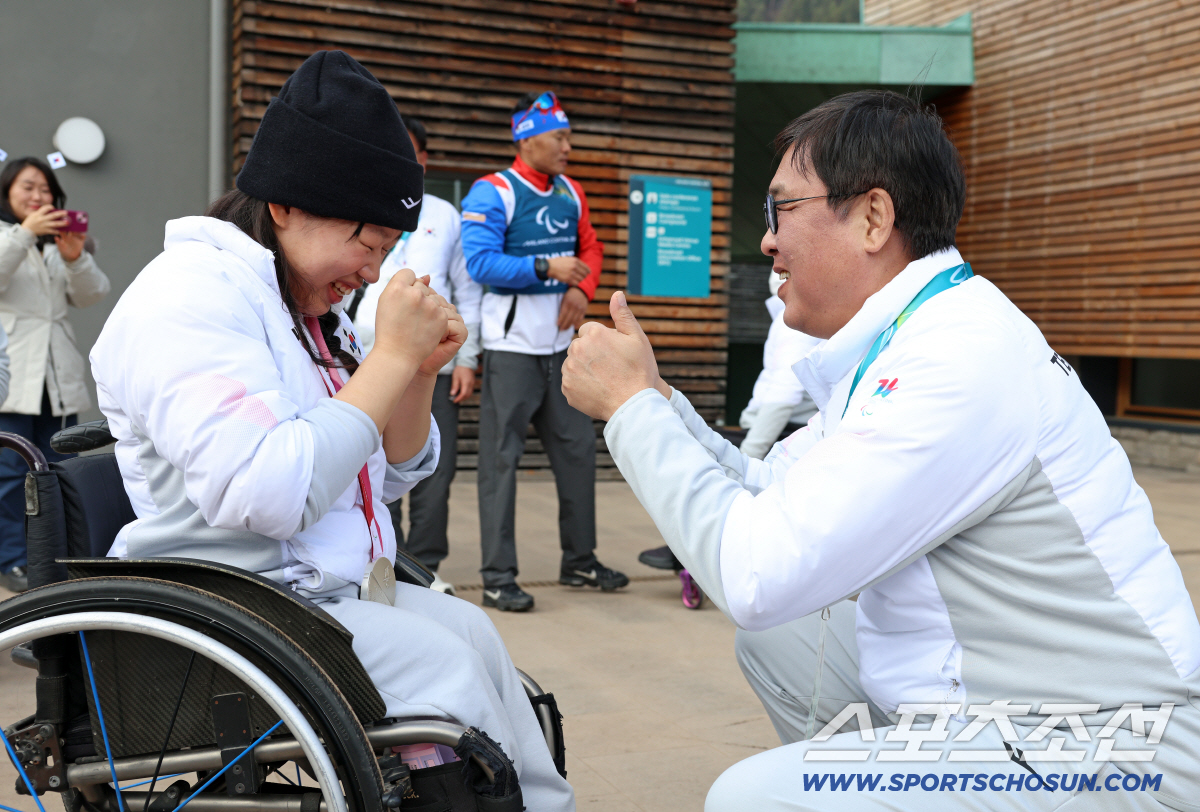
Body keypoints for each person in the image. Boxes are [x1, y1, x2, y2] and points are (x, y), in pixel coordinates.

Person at [562, 90, 1200, 810]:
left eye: (781, 210)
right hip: (1001, 705)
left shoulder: (956, 358)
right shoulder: (916, 333)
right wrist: (658, 401)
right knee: (782, 642)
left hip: (1114, 743)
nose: (766, 240)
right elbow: (768, 497)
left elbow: (757, 573)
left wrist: (632, 412)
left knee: (756, 798)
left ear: (873, 217)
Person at [89, 51, 573, 812]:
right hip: (228, 606)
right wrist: (390, 355)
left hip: (309, 592)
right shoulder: (186, 298)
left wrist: (414, 373)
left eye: (386, 251)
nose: (372, 272)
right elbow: (269, 491)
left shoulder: (305, 313)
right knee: (441, 665)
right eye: (367, 242)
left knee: (471, 632)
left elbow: (387, 473)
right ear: (285, 203)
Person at [460, 90, 627, 612]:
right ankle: (497, 576)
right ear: (526, 137)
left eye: (568, 136)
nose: (568, 146)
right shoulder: (493, 192)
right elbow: (479, 264)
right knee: (501, 462)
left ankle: (579, 562)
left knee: (578, 455)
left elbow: (591, 248)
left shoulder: (570, 193)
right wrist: (544, 270)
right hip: (510, 350)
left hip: (561, 350)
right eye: (559, 136)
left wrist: (582, 287)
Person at [353, 117, 482, 596]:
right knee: (369, 461)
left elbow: (466, 287)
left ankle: (424, 565)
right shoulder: (358, 204)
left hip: (431, 358)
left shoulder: (446, 214)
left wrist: (466, 356)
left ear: (423, 160)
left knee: (430, 466)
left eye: (407, 153)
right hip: (364, 356)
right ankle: (387, 558)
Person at [638, 269, 818, 572]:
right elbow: (771, 388)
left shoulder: (794, 324)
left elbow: (782, 397)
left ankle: (690, 552)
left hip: (785, 429)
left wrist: (748, 452)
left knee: (707, 464)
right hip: (778, 424)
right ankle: (688, 549)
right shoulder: (791, 319)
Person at [0, 157, 109, 592]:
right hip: (14, 370)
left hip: (55, 377)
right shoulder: (9, 237)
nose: (38, 196)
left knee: (58, 468)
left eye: (46, 190)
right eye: (28, 187)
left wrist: (75, 257)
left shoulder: (57, 245)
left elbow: (93, 293)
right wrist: (25, 234)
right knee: (9, 473)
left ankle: (55, 558)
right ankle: (12, 560)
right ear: (8, 192)